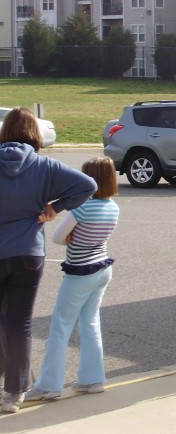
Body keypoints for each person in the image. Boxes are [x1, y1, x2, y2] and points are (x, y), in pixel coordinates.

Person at [0, 107, 97, 414]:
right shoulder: (45, 166)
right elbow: (88, 186)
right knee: (20, 324)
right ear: (35, 134)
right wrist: (55, 207)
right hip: (28, 252)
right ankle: (14, 393)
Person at [26, 157, 120, 401]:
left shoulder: (82, 207)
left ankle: (49, 385)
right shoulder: (113, 207)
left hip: (80, 271)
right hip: (102, 267)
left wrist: (72, 238)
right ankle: (93, 379)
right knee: (90, 323)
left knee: (61, 326)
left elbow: (58, 237)